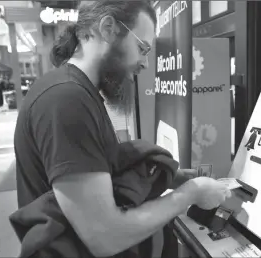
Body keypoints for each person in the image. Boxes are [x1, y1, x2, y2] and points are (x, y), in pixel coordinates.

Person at [13, 1, 231, 257]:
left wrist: (173, 176)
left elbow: (99, 177)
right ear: (108, 28)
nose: (145, 63)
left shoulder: (77, 91)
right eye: (142, 48)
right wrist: (191, 193)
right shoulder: (65, 100)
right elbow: (106, 236)